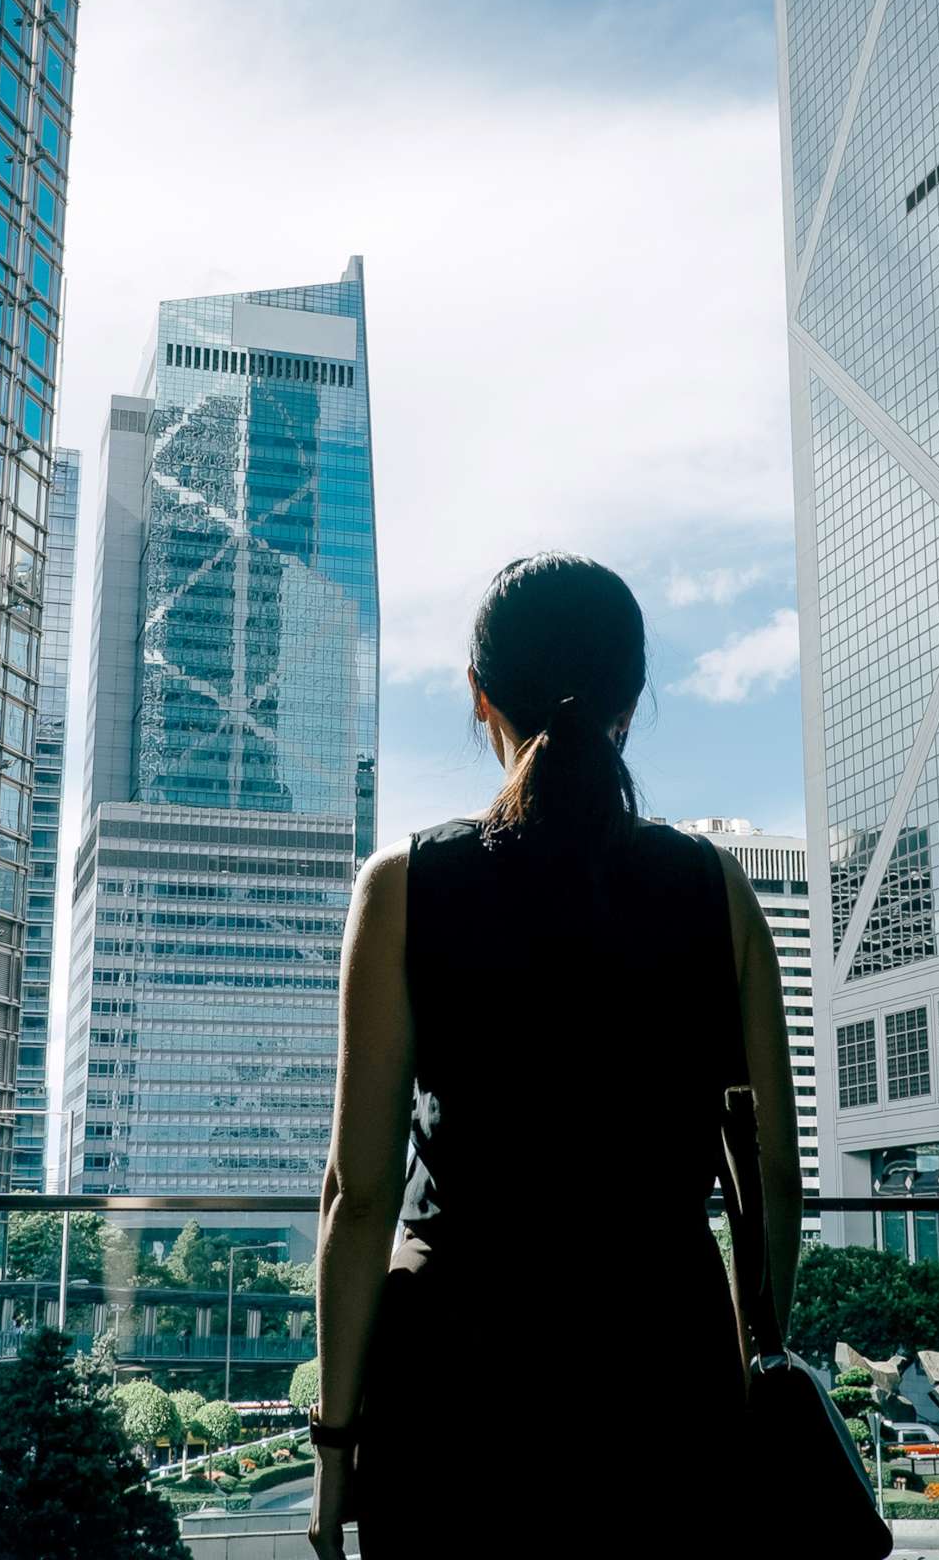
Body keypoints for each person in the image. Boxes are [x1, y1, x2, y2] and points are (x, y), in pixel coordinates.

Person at [306, 553, 800, 1559]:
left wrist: (336, 1447)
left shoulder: (402, 887)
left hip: (456, 1385)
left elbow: (357, 1199)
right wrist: (753, 1361)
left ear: (478, 695)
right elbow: (773, 1179)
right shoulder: (718, 891)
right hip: (665, 1375)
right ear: (633, 700)